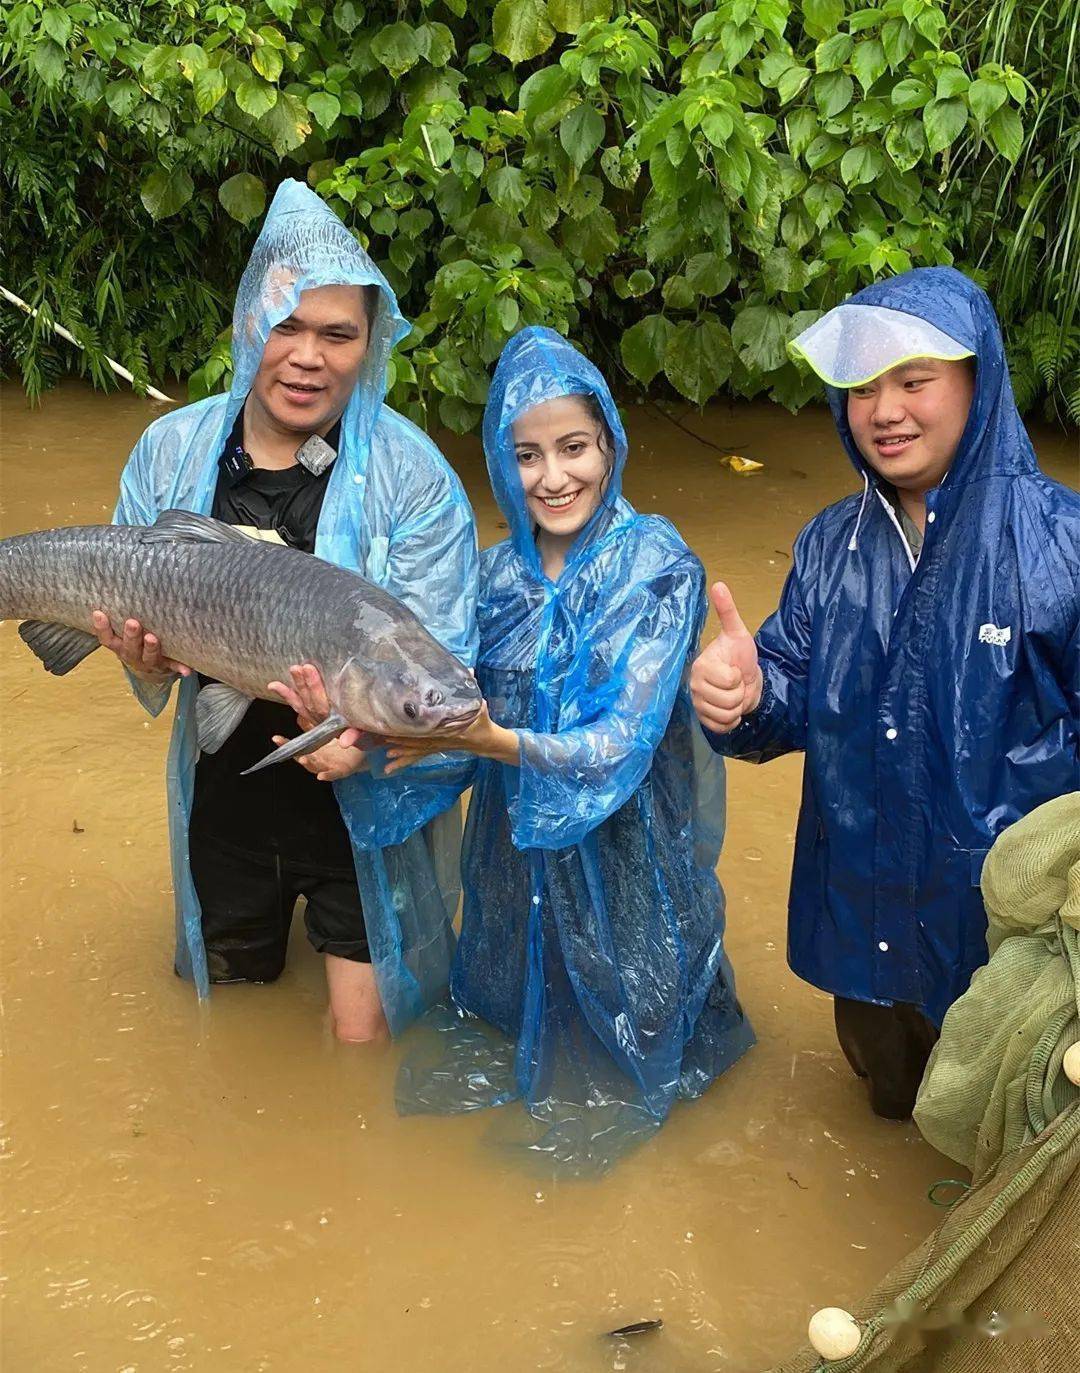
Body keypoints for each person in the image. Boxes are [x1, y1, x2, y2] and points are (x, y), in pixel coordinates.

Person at [355, 326, 755, 1165]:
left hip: (632, 849)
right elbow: (448, 726)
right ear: (504, 464)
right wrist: (368, 745)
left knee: (640, 1030)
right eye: (528, 455)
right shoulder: (492, 578)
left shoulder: (657, 565)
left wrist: (495, 739)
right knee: (507, 1021)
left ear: (609, 443)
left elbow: (622, 742)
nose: (553, 476)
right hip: (510, 864)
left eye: (573, 447)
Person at [92, 179, 479, 1042]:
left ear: (370, 343)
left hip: (362, 811)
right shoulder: (172, 448)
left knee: (361, 1048)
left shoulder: (415, 480)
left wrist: (366, 741)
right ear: (248, 327)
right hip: (225, 787)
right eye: (288, 326)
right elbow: (121, 600)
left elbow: (444, 667)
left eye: (338, 333)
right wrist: (139, 655)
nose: (309, 356)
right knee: (221, 1042)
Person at [690, 266, 1079, 1119]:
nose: (885, 410)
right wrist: (743, 697)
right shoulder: (831, 543)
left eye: (914, 380)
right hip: (863, 919)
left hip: (1003, 940)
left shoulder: (1061, 545)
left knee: (1000, 1131)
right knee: (884, 1103)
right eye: (863, 386)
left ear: (979, 381)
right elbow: (787, 689)